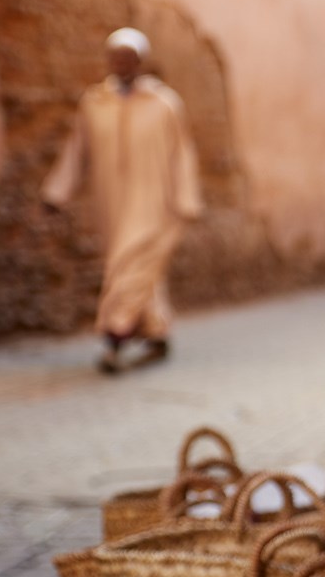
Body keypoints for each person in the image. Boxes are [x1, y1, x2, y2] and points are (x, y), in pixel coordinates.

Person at [42, 28, 204, 373]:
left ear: (141, 62)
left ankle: (115, 335)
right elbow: (77, 151)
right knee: (133, 266)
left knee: (130, 264)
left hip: (156, 201)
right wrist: (57, 191)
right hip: (110, 201)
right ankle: (156, 332)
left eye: (128, 57)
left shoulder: (165, 104)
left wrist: (187, 199)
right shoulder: (94, 102)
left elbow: (182, 154)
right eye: (115, 56)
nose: (121, 63)